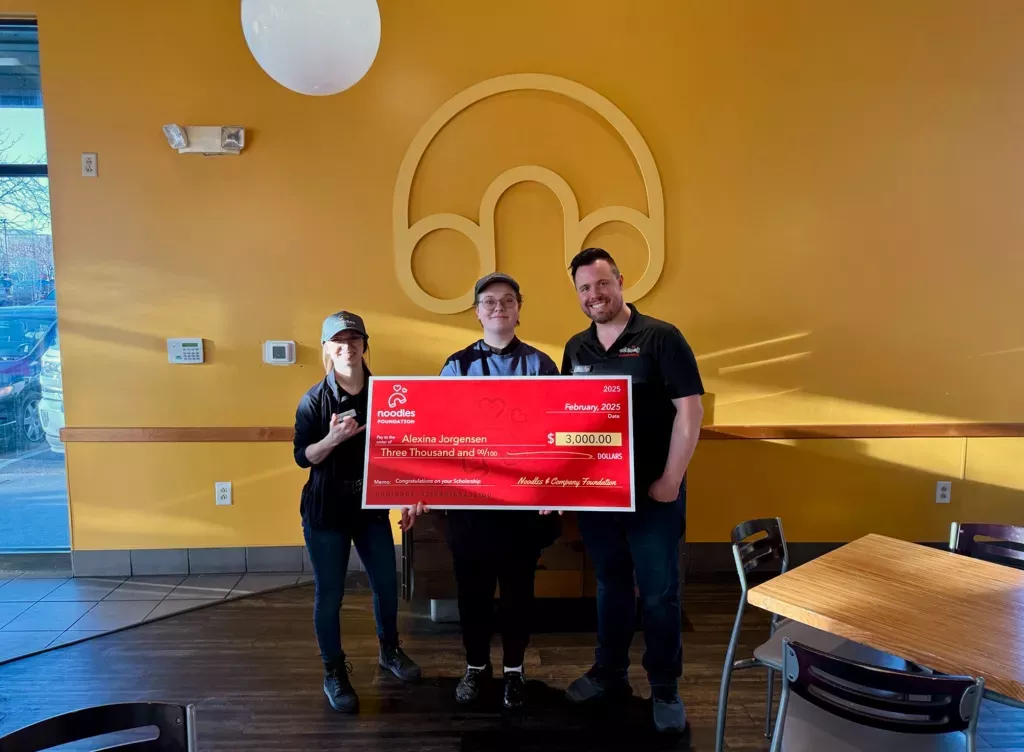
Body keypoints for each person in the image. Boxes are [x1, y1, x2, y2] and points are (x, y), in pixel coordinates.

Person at [560, 248, 704, 734]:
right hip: (600, 499)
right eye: (584, 288)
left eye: (601, 284)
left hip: (654, 497)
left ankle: (665, 689)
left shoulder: (661, 337)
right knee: (611, 588)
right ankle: (610, 673)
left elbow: (690, 413)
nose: (594, 295)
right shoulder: (575, 348)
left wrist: (671, 480)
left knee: (660, 596)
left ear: (620, 281)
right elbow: (569, 422)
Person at [438, 272, 561, 710]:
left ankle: (513, 670)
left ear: (519, 308)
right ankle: (474, 666)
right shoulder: (456, 366)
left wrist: (554, 490)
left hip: (522, 506)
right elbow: (441, 434)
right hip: (471, 506)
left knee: (517, 594)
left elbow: (556, 434)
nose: (498, 308)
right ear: (477, 311)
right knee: (472, 594)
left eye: (507, 301)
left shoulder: (542, 365)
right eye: (489, 302)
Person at [293, 311, 423, 714]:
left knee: (387, 584)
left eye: (354, 340)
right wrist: (331, 439)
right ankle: (334, 671)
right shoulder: (314, 399)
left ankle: (390, 650)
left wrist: (407, 494)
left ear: (365, 345)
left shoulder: (389, 394)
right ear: (327, 349)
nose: (347, 347)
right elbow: (303, 456)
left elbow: (403, 453)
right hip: (326, 510)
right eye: (339, 341)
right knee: (329, 595)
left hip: (370, 509)